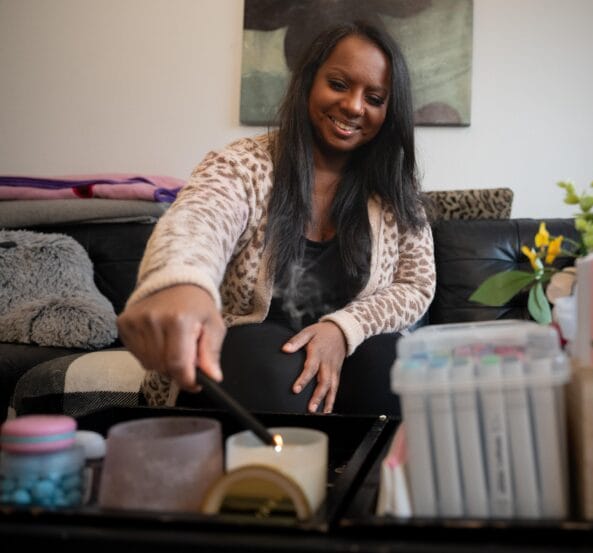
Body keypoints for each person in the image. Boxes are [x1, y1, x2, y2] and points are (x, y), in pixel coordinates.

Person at [116, 21, 436, 416]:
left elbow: (415, 284)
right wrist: (183, 283)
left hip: (353, 346)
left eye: (374, 97)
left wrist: (343, 329)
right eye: (338, 84)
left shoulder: (394, 190)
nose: (354, 106)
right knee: (270, 375)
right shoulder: (240, 164)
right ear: (307, 84)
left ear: (389, 111)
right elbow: (199, 221)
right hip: (252, 345)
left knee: (393, 371)